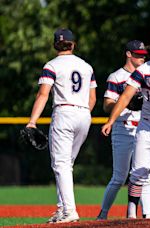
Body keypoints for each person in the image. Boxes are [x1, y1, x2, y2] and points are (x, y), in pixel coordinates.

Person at [101, 30, 150, 219]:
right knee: (134, 174)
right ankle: (127, 215)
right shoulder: (137, 72)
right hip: (141, 126)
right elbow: (124, 97)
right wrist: (111, 120)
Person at [26, 28, 97, 223]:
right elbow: (92, 97)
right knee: (66, 164)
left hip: (64, 113)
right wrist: (83, 114)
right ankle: (62, 208)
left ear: (55, 45)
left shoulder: (52, 65)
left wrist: (32, 121)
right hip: (84, 114)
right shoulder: (86, 66)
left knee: (60, 164)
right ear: (73, 44)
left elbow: (43, 94)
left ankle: (70, 211)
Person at [97, 40, 147, 220]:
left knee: (144, 176)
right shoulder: (116, 77)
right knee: (119, 177)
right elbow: (107, 104)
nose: (142, 57)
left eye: (143, 54)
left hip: (144, 129)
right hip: (123, 128)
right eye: (138, 54)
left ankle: (146, 218)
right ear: (128, 54)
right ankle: (102, 215)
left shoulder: (147, 74)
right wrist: (125, 103)